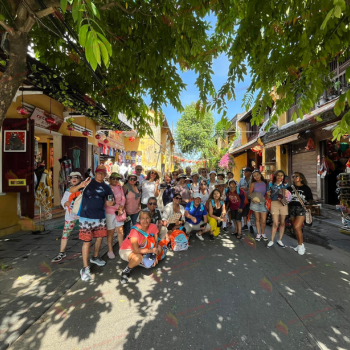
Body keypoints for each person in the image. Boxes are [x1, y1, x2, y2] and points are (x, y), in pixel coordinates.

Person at [69, 165, 115, 282]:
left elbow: (111, 200)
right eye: (98, 173)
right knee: (87, 242)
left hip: (100, 217)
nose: (100, 175)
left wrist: (111, 202)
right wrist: (80, 185)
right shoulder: (87, 182)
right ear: (95, 173)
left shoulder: (106, 187)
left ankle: (95, 257)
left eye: (102, 173)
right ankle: (85, 268)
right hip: (86, 218)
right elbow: (71, 191)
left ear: (105, 174)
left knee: (99, 238)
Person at [119, 210, 163, 284]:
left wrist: (155, 255)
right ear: (139, 220)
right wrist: (151, 251)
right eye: (143, 218)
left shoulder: (153, 226)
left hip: (143, 248)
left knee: (159, 248)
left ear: (150, 219)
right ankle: (126, 271)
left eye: (147, 218)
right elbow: (136, 250)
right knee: (138, 258)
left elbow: (156, 242)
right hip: (127, 249)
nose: (145, 221)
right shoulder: (135, 230)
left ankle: (141, 260)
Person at [52, 172, 83, 263]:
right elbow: (63, 201)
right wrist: (66, 203)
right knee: (65, 234)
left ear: (80, 179)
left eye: (76, 177)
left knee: (86, 233)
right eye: (71, 177)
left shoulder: (84, 189)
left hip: (82, 216)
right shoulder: (68, 190)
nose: (74, 179)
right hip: (70, 215)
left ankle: (87, 251)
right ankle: (62, 252)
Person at [287, 172, 313, 255]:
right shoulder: (289, 188)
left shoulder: (306, 188)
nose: (294, 178)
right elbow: (285, 198)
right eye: (293, 176)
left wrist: (309, 205)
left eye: (296, 176)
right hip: (291, 208)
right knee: (295, 228)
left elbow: (310, 199)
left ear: (301, 178)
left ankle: (301, 245)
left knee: (297, 226)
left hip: (301, 209)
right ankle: (299, 245)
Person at [105, 173, 126, 259]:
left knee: (120, 231)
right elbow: (107, 202)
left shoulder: (119, 187)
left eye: (117, 179)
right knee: (110, 232)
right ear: (109, 179)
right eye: (113, 179)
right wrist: (118, 207)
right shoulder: (107, 188)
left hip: (119, 212)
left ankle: (121, 249)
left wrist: (121, 206)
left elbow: (123, 198)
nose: (115, 180)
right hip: (110, 212)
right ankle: (110, 250)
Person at [266, 170, 289, 248]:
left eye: (281, 175)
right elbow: (269, 197)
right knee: (275, 223)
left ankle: (280, 240)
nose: (280, 177)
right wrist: (268, 194)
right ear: (275, 176)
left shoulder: (285, 185)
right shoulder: (270, 184)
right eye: (278, 175)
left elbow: (289, 196)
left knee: (282, 222)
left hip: (283, 204)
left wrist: (286, 197)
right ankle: (271, 240)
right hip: (274, 203)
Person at [249, 170, 268, 241]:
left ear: (260, 174)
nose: (256, 177)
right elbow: (250, 194)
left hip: (263, 203)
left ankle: (263, 233)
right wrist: (253, 199)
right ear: (253, 177)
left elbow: (267, 192)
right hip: (255, 203)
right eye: (254, 176)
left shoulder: (265, 182)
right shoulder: (253, 184)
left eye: (257, 175)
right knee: (257, 219)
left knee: (263, 220)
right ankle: (258, 233)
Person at [123, 174, 141, 238]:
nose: (133, 180)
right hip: (127, 212)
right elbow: (122, 199)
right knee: (127, 228)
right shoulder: (125, 188)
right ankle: (126, 243)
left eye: (134, 179)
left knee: (136, 227)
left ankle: (135, 241)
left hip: (136, 211)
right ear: (128, 179)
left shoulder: (138, 187)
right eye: (131, 179)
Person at [238, 167, 252, 231]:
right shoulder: (241, 180)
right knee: (244, 212)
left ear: (250, 173)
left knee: (251, 212)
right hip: (244, 198)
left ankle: (251, 225)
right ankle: (245, 225)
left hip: (252, 198)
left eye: (246, 172)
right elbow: (238, 188)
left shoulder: (253, 179)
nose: (245, 173)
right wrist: (243, 188)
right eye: (244, 172)